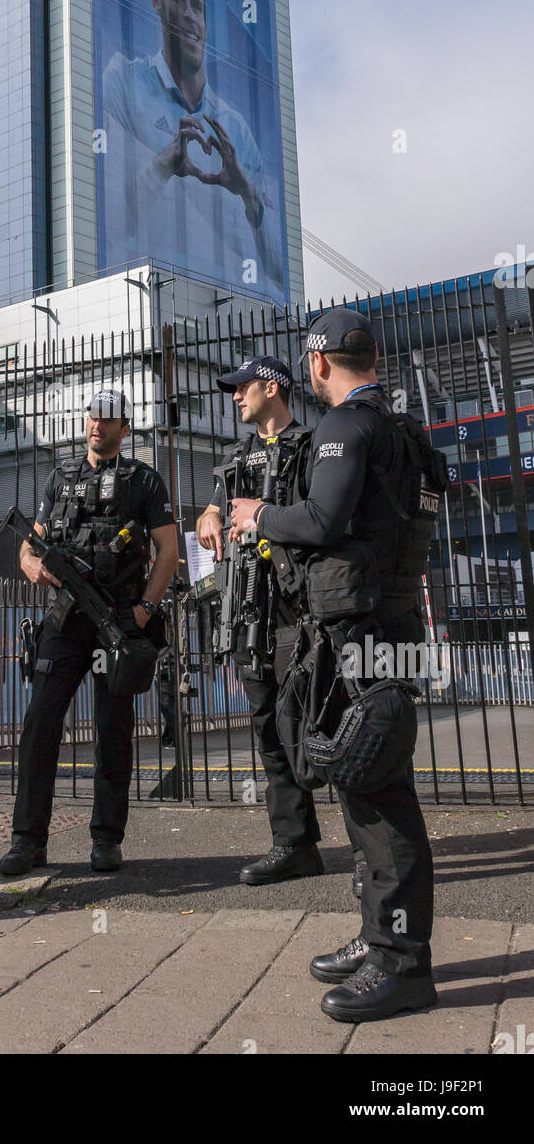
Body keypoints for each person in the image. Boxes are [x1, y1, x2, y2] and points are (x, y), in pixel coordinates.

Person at [231, 309, 441, 1022]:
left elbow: (318, 521)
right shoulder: (405, 432)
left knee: (380, 802)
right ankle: (380, 936)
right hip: (391, 624)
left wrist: (258, 514)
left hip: (361, 634)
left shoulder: (345, 428)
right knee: (366, 784)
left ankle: (402, 965)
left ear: (318, 365)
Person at [0, 389, 178, 876]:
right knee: (40, 723)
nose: (98, 425)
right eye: (92, 417)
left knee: (112, 730)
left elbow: (168, 551)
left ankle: (106, 838)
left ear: (125, 427)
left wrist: (144, 609)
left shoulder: (144, 480)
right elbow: (29, 544)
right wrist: (31, 565)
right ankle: (28, 840)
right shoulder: (62, 477)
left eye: (108, 419)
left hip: (117, 619)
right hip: (64, 620)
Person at [196, 355, 323, 885]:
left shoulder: (314, 447)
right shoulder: (239, 459)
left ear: (272, 388)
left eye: (242, 387)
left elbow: (325, 518)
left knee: (324, 725)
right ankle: (294, 844)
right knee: (269, 728)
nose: (234, 396)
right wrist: (208, 515)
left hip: (300, 611)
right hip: (251, 609)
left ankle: (372, 852)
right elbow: (217, 508)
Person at [101, 0, 284, 292]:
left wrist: (248, 195)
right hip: (139, 299)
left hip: (228, 314)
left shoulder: (238, 131)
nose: (189, 15)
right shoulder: (122, 82)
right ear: (155, 0)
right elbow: (105, 225)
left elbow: (278, 274)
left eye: (197, 7)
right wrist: (162, 166)